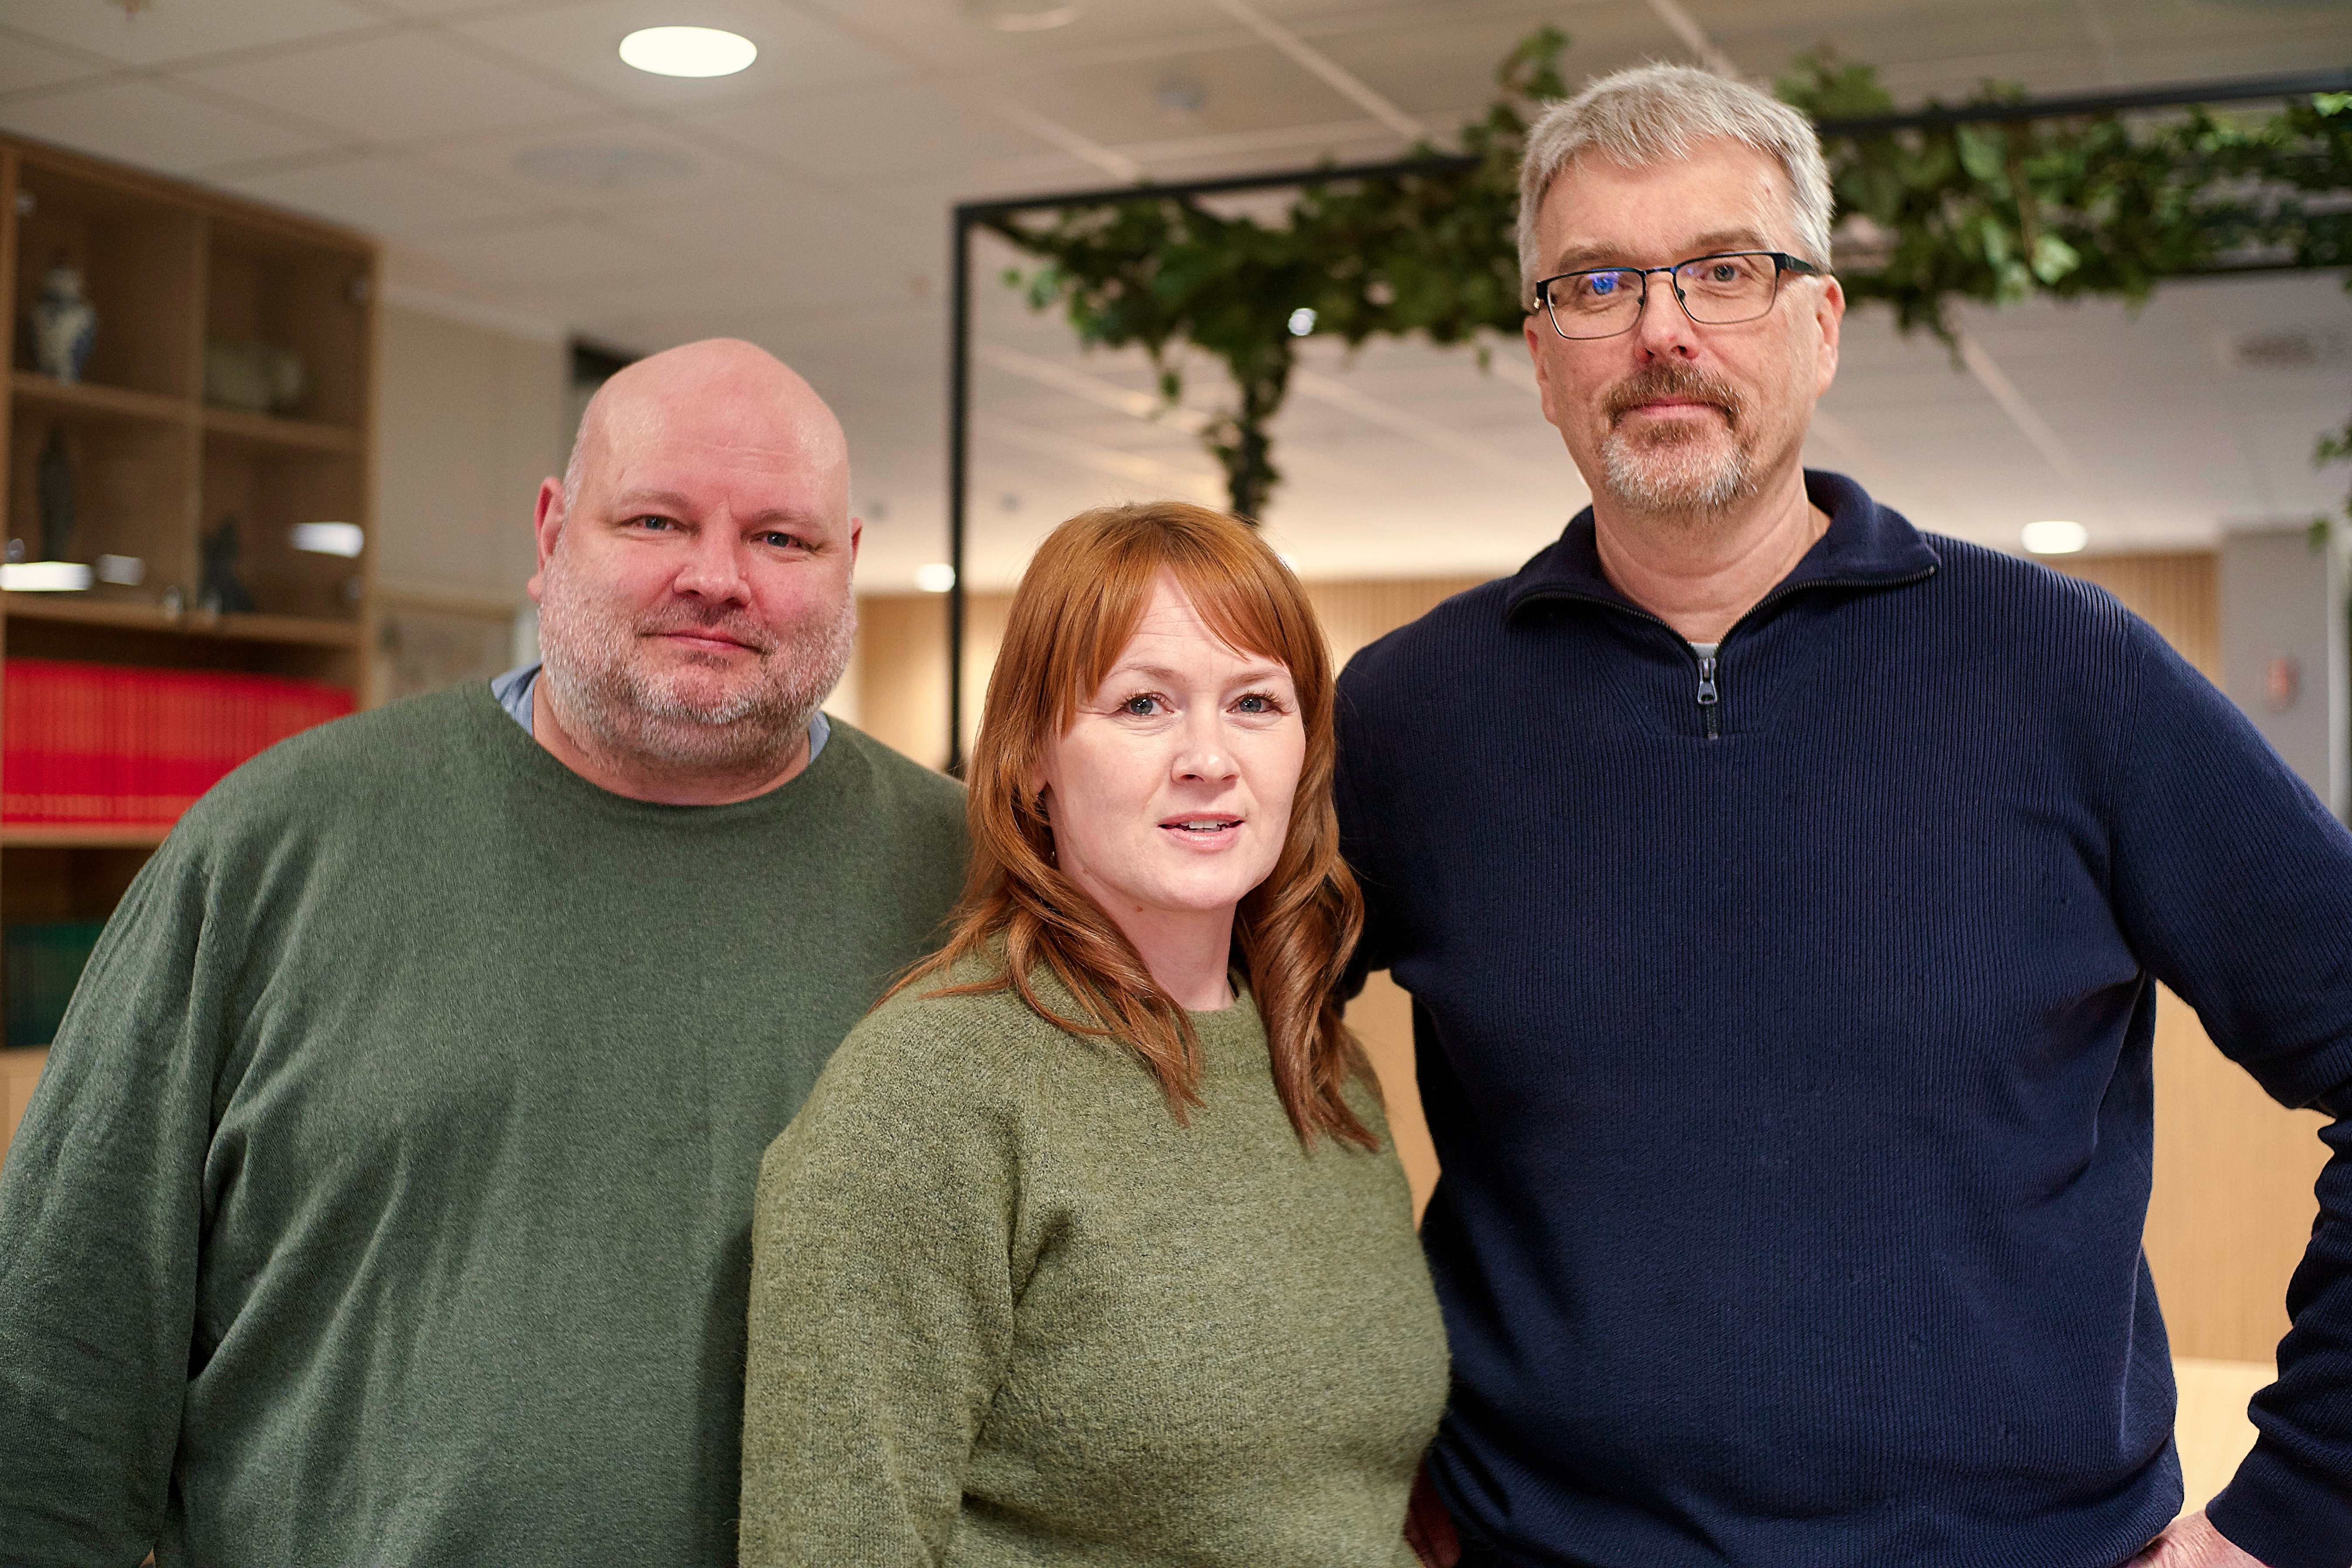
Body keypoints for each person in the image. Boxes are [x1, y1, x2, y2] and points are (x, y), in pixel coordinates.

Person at [1337, 64, 2352, 1568]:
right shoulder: (1412, 714)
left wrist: (2298, 1513)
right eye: (1598, 282)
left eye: (1723, 271)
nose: (1661, 329)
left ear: (1818, 324)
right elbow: (1211, 1063)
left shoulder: (2068, 669)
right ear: (1542, 353)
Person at [0, 339, 967, 1566]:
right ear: (554, 530)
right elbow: (55, 1376)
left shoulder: (978, 890)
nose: (715, 577)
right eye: (657, 518)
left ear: (848, 568)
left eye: (781, 539)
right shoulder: (274, 848)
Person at [739, 501, 1449, 1567]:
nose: (1208, 757)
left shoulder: (1319, 1063)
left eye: (1255, 701)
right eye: (1143, 704)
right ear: (1031, 755)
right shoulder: (930, 1095)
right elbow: (834, 1541)